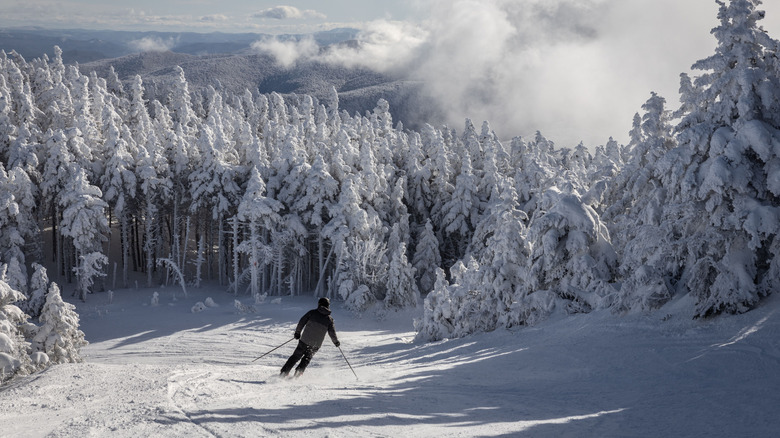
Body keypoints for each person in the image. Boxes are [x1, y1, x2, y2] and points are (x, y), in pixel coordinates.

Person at [280, 297, 340, 378]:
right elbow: (332, 333)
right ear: (328, 306)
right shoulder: (329, 320)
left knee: (296, 356)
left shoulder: (312, 313)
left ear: (319, 304)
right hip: (316, 345)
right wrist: (336, 342)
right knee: (307, 358)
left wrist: (297, 333)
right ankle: (298, 374)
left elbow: (302, 322)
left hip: (304, 340)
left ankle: (284, 372)